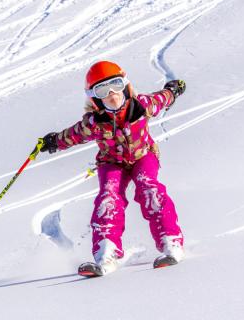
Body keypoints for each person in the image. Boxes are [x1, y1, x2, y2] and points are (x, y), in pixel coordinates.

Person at [41, 61, 186, 276]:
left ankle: (170, 241)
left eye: (116, 85)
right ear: (94, 97)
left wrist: (172, 90)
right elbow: (74, 135)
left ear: (126, 85)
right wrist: (54, 141)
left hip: (143, 156)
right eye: (102, 90)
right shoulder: (94, 123)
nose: (112, 94)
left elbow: (162, 99)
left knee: (149, 187)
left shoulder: (142, 105)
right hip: (111, 163)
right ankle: (106, 253)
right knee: (109, 196)